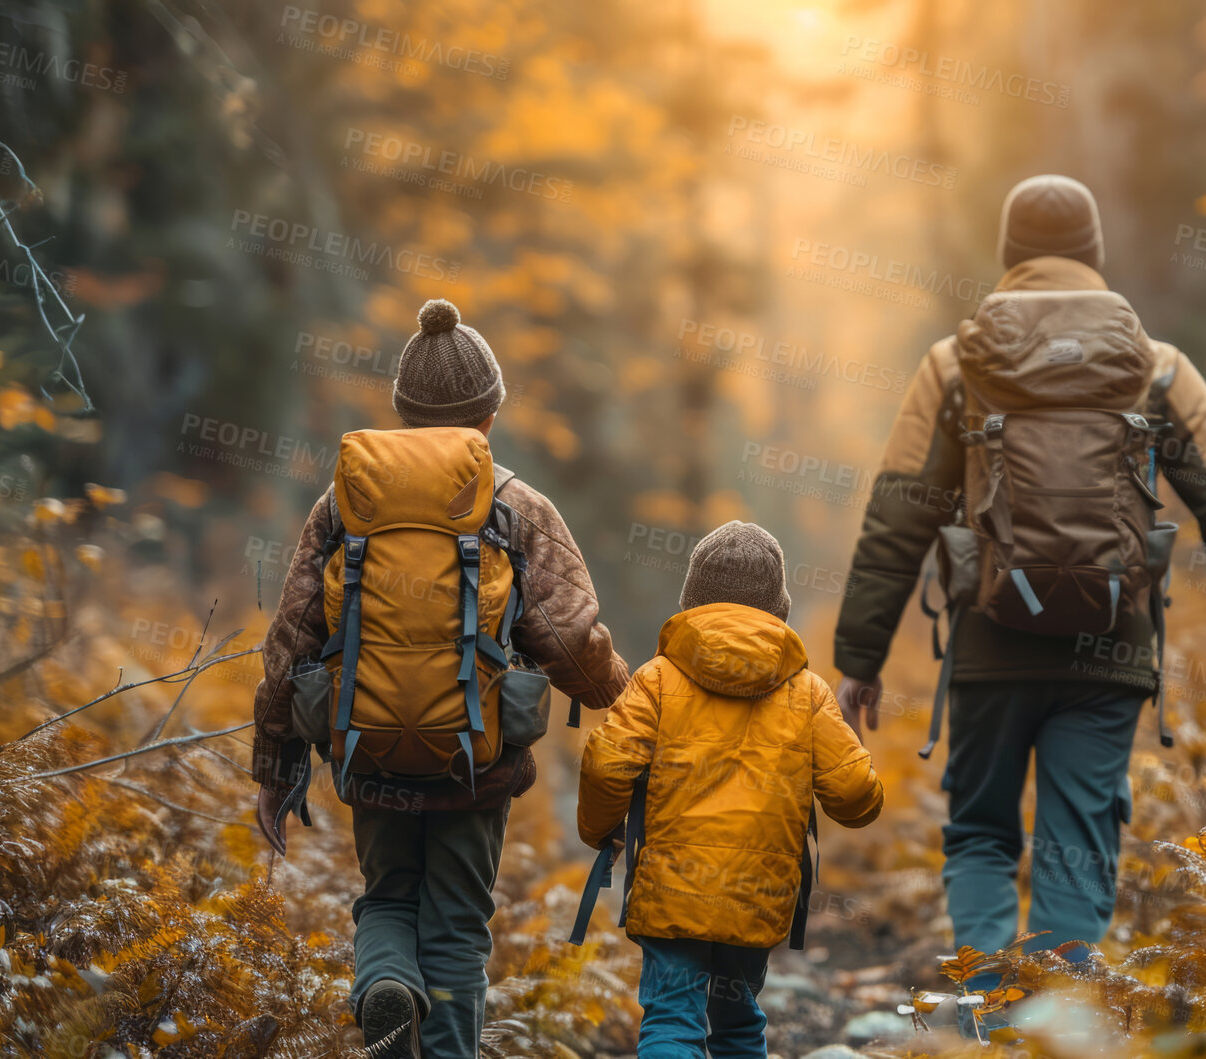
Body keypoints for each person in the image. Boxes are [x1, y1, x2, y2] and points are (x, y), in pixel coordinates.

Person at [832, 175, 1206, 960]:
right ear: (1092, 254)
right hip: (1108, 646)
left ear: (1009, 255)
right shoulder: (1157, 366)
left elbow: (897, 516)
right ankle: (1059, 1022)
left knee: (979, 831)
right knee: (1080, 834)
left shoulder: (954, 364)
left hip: (988, 644)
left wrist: (860, 659)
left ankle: (986, 1016)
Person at [253, 299, 629, 1059]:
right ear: (487, 418)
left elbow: (290, 643)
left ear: (401, 411)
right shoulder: (516, 505)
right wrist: (628, 705)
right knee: (457, 920)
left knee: (388, 897)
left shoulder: (341, 506)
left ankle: (386, 984)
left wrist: (276, 766)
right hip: (475, 761)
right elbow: (571, 640)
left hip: (368, 753)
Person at [578, 521, 883, 1058]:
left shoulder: (656, 679)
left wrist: (600, 830)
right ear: (778, 605)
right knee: (739, 1024)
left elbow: (606, 765)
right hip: (756, 896)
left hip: (671, 891)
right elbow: (856, 796)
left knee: (672, 1020)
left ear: (692, 598)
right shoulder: (807, 693)